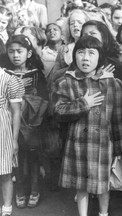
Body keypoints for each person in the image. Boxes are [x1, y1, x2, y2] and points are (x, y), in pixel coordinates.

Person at [54, 35, 122, 216]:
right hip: (77, 144)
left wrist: (118, 148)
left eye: (91, 53)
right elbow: (58, 111)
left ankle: (103, 213)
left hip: (102, 143)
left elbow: (116, 119)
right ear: (74, 56)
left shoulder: (111, 83)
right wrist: (83, 103)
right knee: (81, 185)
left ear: (99, 57)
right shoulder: (66, 82)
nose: (85, 58)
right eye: (81, 53)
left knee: (103, 185)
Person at [3, 34, 48, 209]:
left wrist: (30, 103)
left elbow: (44, 98)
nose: (15, 55)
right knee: (17, 158)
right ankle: (20, 190)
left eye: (19, 51)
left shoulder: (36, 74)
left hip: (32, 123)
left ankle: (35, 190)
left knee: (34, 156)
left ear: (28, 53)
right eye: (11, 51)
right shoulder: (4, 73)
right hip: (11, 122)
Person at [0, 43, 24, 216]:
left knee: (5, 171)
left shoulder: (7, 79)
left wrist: (15, 139)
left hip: (3, 130)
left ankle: (6, 207)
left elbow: (16, 112)